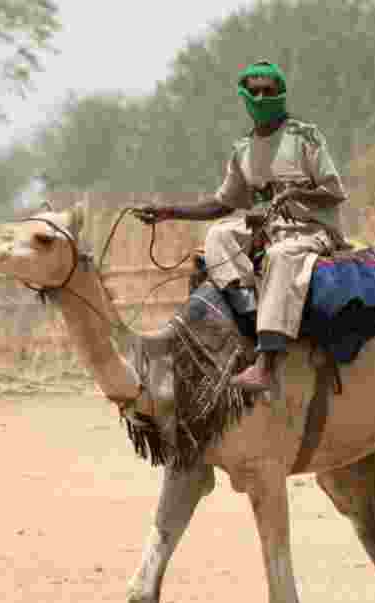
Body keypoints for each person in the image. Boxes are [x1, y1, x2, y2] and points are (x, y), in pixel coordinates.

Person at [135, 60, 350, 392]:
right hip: (270, 230)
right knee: (219, 234)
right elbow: (221, 203)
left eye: (270, 91)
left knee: (280, 255)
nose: (263, 97)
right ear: (245, 98)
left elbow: (335, 192)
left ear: (281, 94)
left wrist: (295, 193)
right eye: (255, 92)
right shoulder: (244, 151)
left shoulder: (305, 137)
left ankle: (265, 364)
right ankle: (251, 317)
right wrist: (168, 211)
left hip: (311, 232)